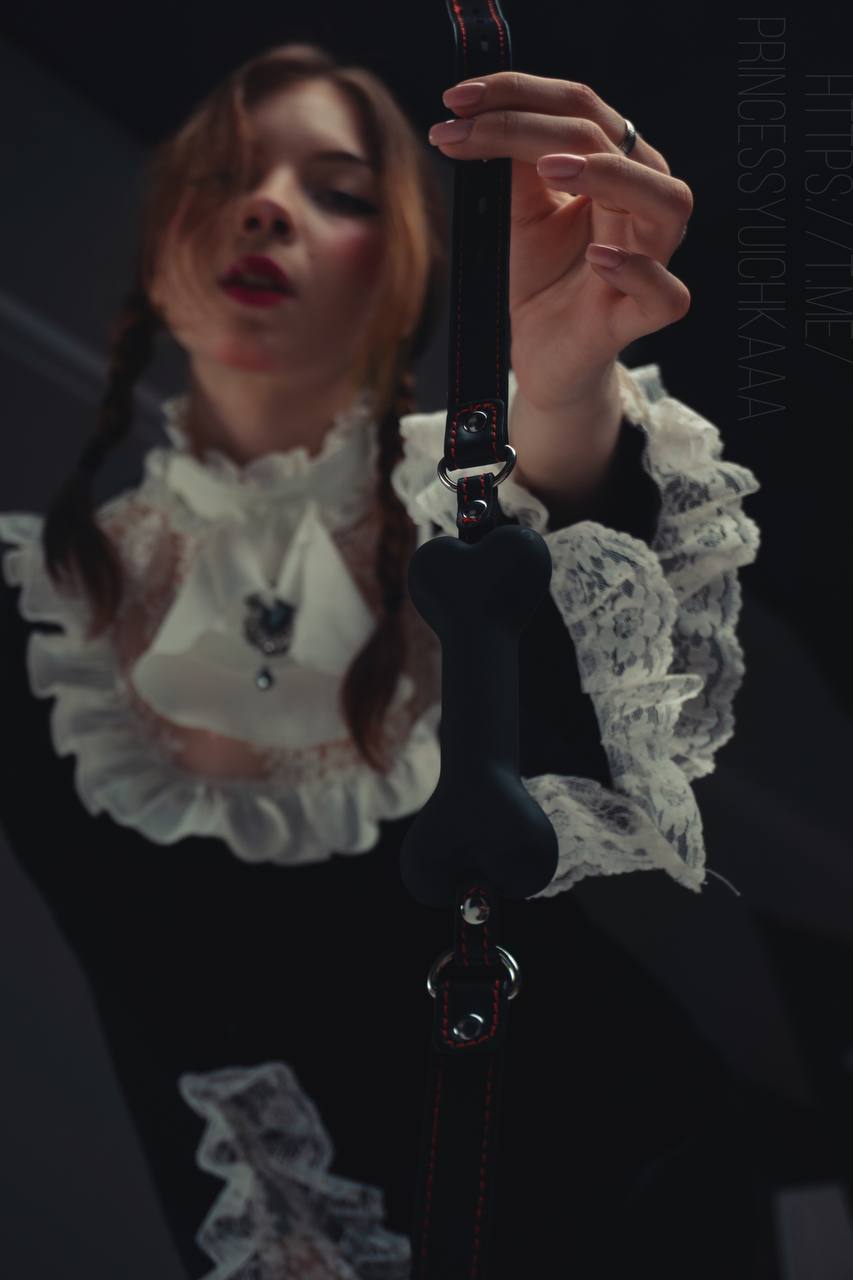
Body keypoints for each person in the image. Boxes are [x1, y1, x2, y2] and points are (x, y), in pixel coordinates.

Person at [0, 42, 773, 1279]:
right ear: (158, 248)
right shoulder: (34, 607)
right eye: (226, 178)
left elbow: (594, 665)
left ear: (405, 271)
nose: (268, 207)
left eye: (338, 190)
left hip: (634, 1195)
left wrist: (564, 384)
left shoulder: (466, 506)